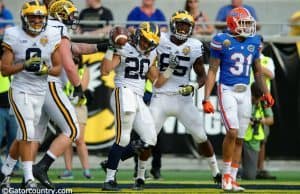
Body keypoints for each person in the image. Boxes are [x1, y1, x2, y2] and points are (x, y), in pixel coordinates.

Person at [0, 0, 104, 189]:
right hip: (47, 84)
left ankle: (7, 172)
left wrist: (100, 47)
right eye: (70, 15)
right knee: (71, 129)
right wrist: (78, 86)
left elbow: (74, 49)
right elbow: (67, 60)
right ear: (60, 15)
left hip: (41, 84)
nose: (73, 19)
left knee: (31, 134)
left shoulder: (52, 29)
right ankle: (40, 168)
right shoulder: (55, 28)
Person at [203, 7, 274, 192]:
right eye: (244, 23)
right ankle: (226, 175)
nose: (248, 27)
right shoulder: (221, 40)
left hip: (245, 94)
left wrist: (266, 92)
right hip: (227, 89)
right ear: (233, 23)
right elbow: (212, 70)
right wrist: (205, 98)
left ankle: (232, 179)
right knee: (232, 132)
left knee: (240, 137)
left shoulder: (254, 41)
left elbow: (257, 71)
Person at [149, 9, 221, 185]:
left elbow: (202, 76)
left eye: (186, 25)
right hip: (161, 96)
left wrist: (194, 86)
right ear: (172, 24)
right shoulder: (161, 39)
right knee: (147, 138)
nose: (182, 29)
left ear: (191, 27)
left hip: (183, 99)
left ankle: (216, 173)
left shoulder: (195, 45)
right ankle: (141, 176)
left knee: (201, 137)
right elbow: (150, 66)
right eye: (179, 24)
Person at [100, 22, 170, 191]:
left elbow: (157, 82)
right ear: (139, 35)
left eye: (150, 42)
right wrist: (111, 47)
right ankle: (109, 179)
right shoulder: (124, 47)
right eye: (145, 40)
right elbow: (105, 70)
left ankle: (111, 162)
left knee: (150, 138)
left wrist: (171, 69)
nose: (146, 45)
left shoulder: (151, 53)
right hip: (123, 91)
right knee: (123, 137)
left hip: (137, 96)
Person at [0, 0, 62, 188]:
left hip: (39, 92)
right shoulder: (13, 34)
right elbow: (4, 69)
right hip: (20, 90)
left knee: (23, 135)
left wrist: (45, 70)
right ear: (24, 17)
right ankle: (28, 178)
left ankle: (4, 172)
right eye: (32, 16)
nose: (36, 20)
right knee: (28, 133)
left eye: (40, 17)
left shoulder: (51, 34)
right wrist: (24, 66)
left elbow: (58, 69)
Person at [59, 56, 92, 180]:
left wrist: (73, 70)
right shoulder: (63, 69)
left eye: (76, 56)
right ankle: (68, 170)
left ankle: (86, 169)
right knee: (67, 139)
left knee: (80, 140)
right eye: (71, 55)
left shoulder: (84, 70)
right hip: (65, 106)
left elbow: (82, 88)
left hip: (78, 106)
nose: (74, 58)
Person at [242, 82, 274, 180]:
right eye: (255, 98)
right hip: (241, 136)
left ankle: (258, 170)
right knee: (232, 135)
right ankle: (231, 170)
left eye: (259, 97)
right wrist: (246, 120)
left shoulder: (263, 102)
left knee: (250, 176)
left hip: (253, 138)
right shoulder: (242, 99)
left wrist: (260, 120)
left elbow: (271, 120)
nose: (257, 100)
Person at [0, 51, 17, 170]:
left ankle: (12, 166)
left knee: (15, 139)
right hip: (1, 108)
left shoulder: (14, 65)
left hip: (13, 108)